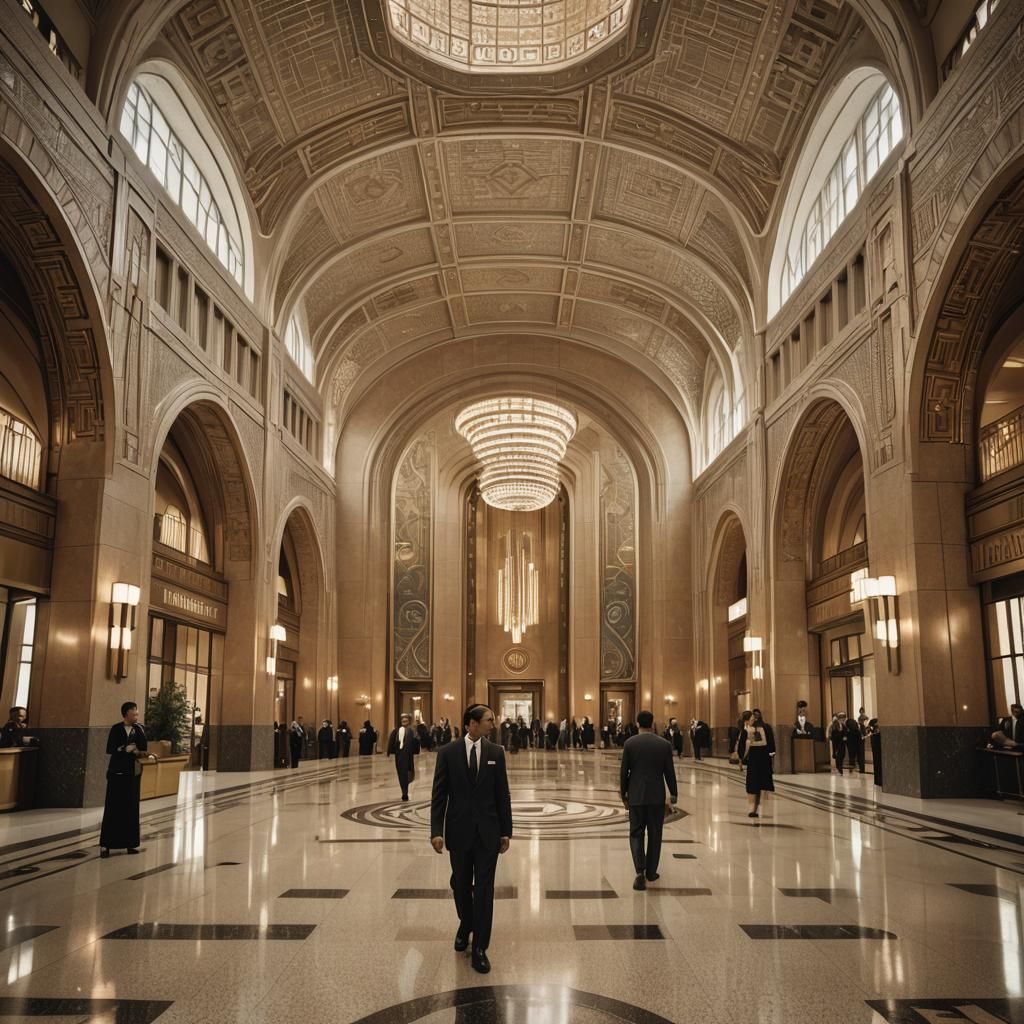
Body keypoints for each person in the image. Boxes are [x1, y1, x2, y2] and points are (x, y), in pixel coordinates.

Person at [430, 704, 513, 975]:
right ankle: (466, 923)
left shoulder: (495, 753)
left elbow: (503, 794)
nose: (494, 723)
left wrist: (506, 830)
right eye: (489, 719)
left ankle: (480, 947)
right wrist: (436, 831)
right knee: (461, 885)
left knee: (485, 890)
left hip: (488, 834)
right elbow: (439, 796)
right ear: (472, 724)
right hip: (459, 832)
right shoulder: (448, 753)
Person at [620, 709, 678, 891]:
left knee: (636, 833)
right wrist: (674, 793)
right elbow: (669, 771)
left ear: (638, 724)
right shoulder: (664, 744)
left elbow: (624, 772)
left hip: (636, 795)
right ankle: (651, 872)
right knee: (655, 834)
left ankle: (639, 871)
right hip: (656, 797)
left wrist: (624, 795)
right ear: (652, 724)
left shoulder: (630, 743)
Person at [99, 701, 154, 857]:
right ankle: (106, 845)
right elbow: (110, 748)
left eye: (137, 713)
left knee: (131, 808)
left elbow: (143, 747)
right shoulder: (116, 729)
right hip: (117, 773)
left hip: (132, 773)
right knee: (113, 807)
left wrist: (140, 744)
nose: (136, 716)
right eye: (134, 713)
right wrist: (124, 748)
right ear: (126, 714)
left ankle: (130, 843)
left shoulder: (138, 729)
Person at [736, 708, 775, 818]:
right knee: (758, 784)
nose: (753, 720)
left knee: (754, 784)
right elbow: (771, 745)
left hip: (756, 761)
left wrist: (741, 760)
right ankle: (755, 807)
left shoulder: (752, 729)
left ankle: (753, 808)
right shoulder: (763, 728)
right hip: (760, 761)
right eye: (751, 719)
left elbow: (742, 749)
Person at [387, 712, 421, 801]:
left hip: (407, 757)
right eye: (403, 720)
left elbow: (415, 744)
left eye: (406, 720)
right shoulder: (397, 731)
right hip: (400, 757)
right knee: (402, 775)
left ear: (408, 722)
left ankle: (404, 792)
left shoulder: (411, 731)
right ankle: (404, 792)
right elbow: (391, 743)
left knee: (405, 775)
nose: (404, 722)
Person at [866, 718, 882, 786]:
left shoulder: (873, 736)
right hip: (877, 748)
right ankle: (879, 780)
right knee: (878, 762)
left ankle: (877, 780)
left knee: (876, 762)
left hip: (875, 749)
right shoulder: (877, 736)